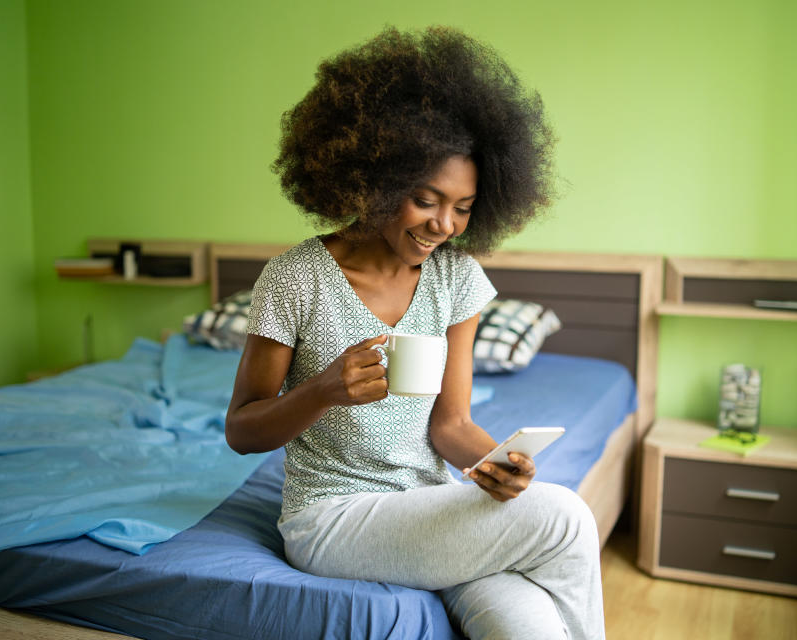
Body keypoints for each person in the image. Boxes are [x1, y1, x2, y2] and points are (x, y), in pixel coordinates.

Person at [226, 26, 605, 640]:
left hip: (430, 509)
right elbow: (241, 430)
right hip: (334, 520)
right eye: (427, 200)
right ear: (374, 179)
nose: (444, 225)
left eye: (463, 207)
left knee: (523, 626)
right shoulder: (295, 278)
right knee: (562, 517)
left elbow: (449, 425)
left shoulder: (456, 276)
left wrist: (492, 465)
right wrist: (323, 390)